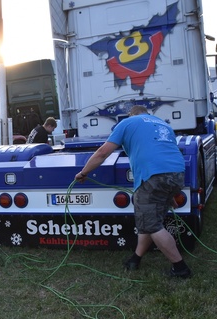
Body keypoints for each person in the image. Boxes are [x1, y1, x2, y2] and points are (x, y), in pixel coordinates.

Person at [74, 105, 191, 278]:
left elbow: (102, 152)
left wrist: (84, 172)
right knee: (148, 221)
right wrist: (171, 193)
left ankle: (180, 268)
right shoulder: (162, 124)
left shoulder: (128, 122)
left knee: (152, 225)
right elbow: (165, 153)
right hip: (177, 173)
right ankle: (135, 259)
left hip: (152, 176)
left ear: (131, 114)